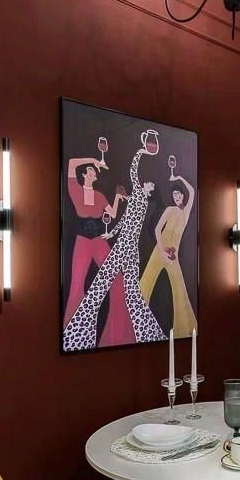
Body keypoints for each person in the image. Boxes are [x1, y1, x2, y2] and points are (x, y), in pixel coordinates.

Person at [63, 132, 166, 352]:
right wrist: (112, 233)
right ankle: (142, 333)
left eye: (150, 184)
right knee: (124, 291)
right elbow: (126, 220)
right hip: (123, 246)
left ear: (149, 191)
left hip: (125, 247)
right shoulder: (137, 200)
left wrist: (140, 151)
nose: (147, 182)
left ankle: (81, 335)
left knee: (106, 287)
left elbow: (133, 171)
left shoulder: (139, 197)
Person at [63, 156, 133, 346]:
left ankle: (117, 336)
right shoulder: (75, 189)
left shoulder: (100, 195)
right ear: (84, 175)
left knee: (117, 279)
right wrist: (94, 160)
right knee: (77, 285)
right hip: (83, 242)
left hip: (99, 241)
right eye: (91, 170)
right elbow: (71, 164)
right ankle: (73, 335)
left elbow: (112, 214)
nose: (94, 173)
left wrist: (117, 197)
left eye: (94, 171)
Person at [139, 174, 197, 336]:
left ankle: (184, 330)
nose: (177, 197)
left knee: (180, 290)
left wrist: (179, 177)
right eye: (174, 195)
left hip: (173, 254)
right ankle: (136, 319)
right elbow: (157, 230)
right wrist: (162, 249)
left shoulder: (186, 212)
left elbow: (192, 191)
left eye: (179, 194)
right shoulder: (169, 210)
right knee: (145, 282)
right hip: (160, 249)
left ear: (183, 196)